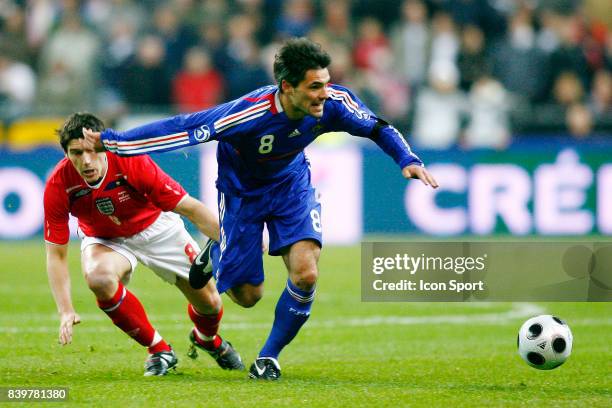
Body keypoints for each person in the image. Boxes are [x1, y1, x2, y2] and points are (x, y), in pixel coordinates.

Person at [84, 38, 438, 380]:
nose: (324, 93)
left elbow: (378, 126)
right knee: (248, 296)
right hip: (242, 195)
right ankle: (218, 250)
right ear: (287, 86)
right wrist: (117, 141)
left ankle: (268, 356)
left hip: (290, 186)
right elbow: (184, 128)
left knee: (306, 273)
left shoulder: (334, 103)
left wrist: (406, 158)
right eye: (315, 86)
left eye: (327, 83)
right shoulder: (247, 113)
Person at [44, 112, 244, 376]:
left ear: (103, 145)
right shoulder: (59, 184)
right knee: (98, 278)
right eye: (76, 153)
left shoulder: (131, 161)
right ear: (66, 154)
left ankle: (207, 339)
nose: (86, 160)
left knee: (210, 303)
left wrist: (237, 241)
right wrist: (65, 311)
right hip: (105, 239)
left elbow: (191, 209)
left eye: (92, 150)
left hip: (156, 228)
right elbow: (56, 255)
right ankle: (159, 349)